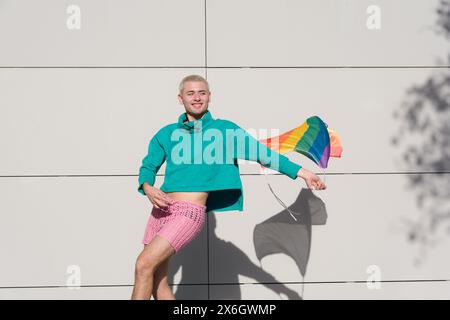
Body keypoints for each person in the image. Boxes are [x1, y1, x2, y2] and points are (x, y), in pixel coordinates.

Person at [131, 75, 326, 300]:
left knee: (143, 265)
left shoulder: (226, 130)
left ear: (209, 97)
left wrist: (303, 173)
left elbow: (263, 154)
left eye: (202, 93)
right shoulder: (165, 133)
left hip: (188, 212)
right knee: (158, 282)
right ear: (180, 98)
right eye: (190, 93)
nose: (196, 98)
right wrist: (147, 187)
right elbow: (148, 166)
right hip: (161, 210)